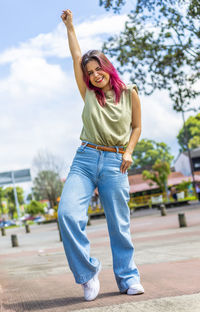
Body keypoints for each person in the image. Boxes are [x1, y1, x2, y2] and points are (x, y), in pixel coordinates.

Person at [58, 9, 144, 301]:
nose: (94, 76)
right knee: (67, 214)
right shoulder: (89, 94)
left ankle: (128, 277)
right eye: (90, 73)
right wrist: (71, 27)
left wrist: (129, 151)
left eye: (98, 69)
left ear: (108, 67)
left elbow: (136, 126)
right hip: (84, 160)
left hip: (116, 161)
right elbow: (75, 56)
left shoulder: (130, 92)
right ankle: (87, 274)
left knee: (119, 224)